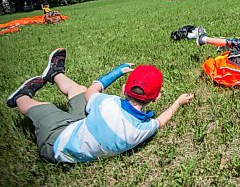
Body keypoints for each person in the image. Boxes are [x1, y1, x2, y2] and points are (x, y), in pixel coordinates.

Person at [6, 48, 194, 163]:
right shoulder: (143, 128)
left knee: (45, 108)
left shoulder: (109, 104)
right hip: (82, 127)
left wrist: (116, 72)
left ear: (123, 89)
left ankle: (20, 97)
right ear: (157, 97)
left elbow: (91, 92)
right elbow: (161, 121)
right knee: (78, 92)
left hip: (56, 143)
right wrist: (178, 101)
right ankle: (54, 73)